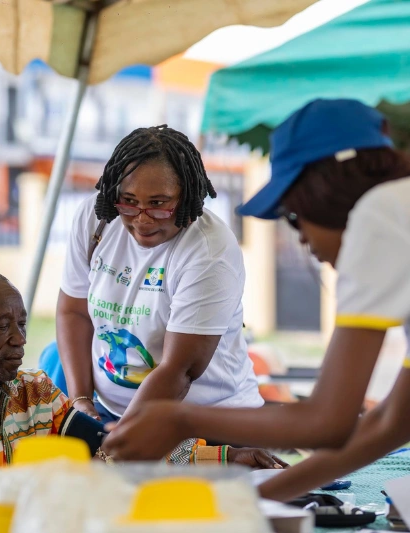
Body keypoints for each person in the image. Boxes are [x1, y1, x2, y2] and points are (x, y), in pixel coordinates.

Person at [102, 99, 410, 502]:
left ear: (326, 192)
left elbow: (328, 421)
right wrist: (258, 504)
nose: (303, 242)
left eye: (296, 217)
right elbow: (391, 422)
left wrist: (179, 418)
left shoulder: (381, 215)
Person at [0, 270, 284, 533]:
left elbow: (113, 449)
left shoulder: (36, 393)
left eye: (21, 324)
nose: (19, 339)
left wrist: (225, 457)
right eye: (0, 327)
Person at [57, 125, 263, 428]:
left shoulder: (209, 250)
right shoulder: (96, 219)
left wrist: (121, 436)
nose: (141, 218)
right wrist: (82, 401)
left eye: (158, 204)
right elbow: (73, 311)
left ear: (188, 196)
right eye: (128, 200)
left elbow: (178, 371)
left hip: (211, 423)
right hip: (114, 417)